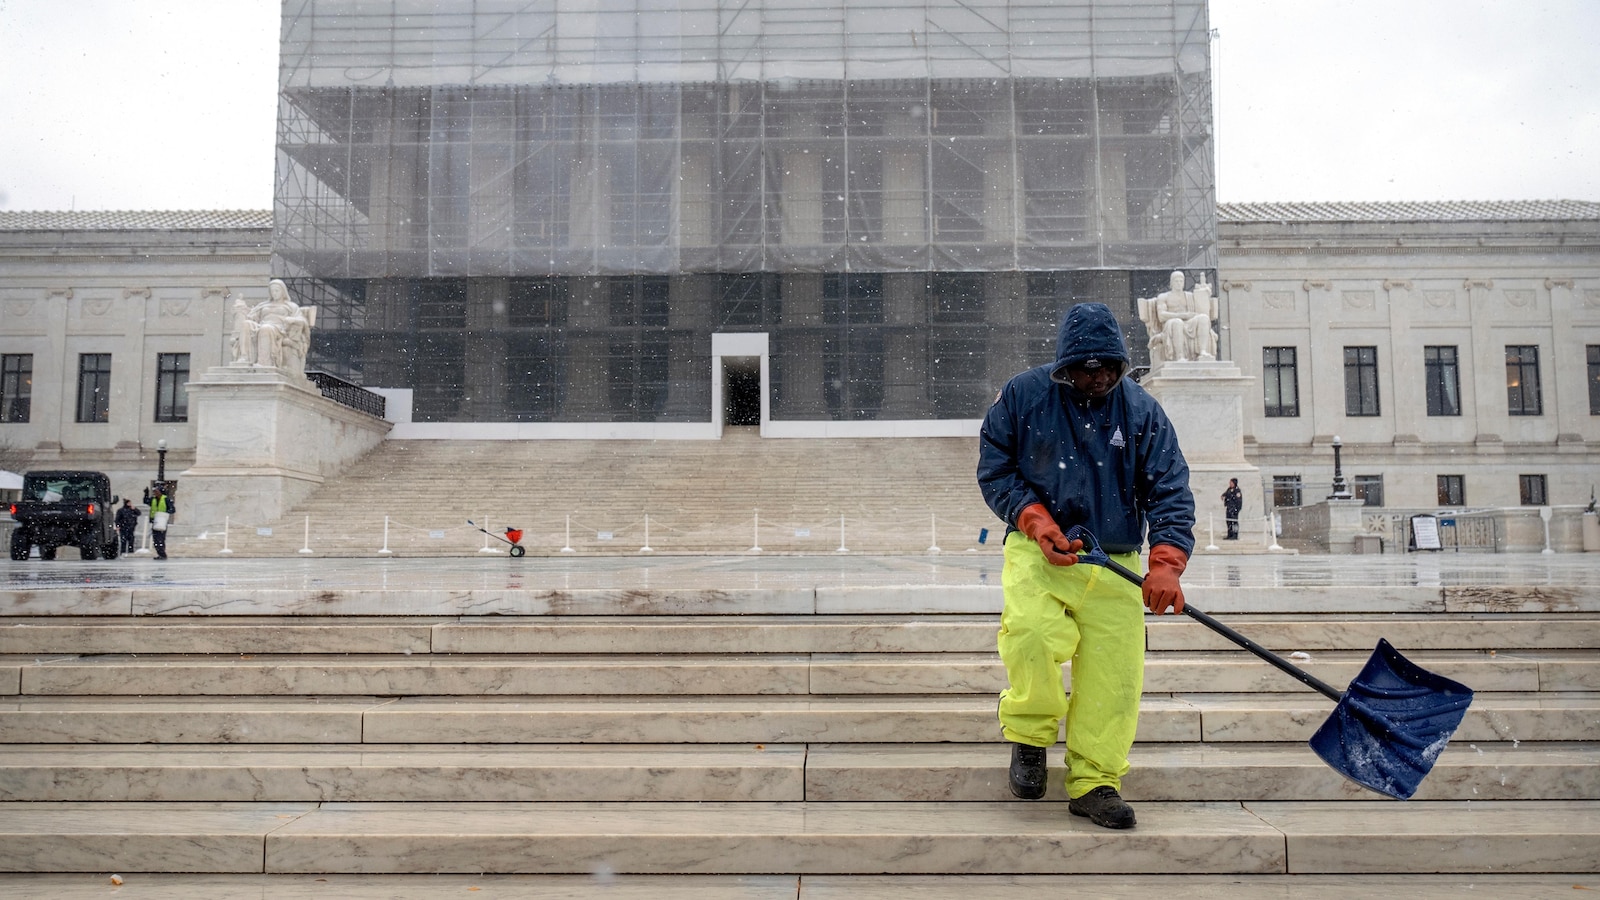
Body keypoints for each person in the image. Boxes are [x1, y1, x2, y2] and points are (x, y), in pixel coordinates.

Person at [978, 301, 1196, 830]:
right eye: (1085, 368)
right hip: (1039, 550)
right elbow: (996, 467)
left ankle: (1095, 781)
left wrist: (1166, 562)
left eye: (1107, 368)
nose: (1097, 378)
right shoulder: (1024, 396)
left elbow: (1170, 489)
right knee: (1031, 634)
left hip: (1114, 561)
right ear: (1064, 366)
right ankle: (1030, 737)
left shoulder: (1142, 411)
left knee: (1114, 677)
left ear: (1120, 364)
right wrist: (1034, 519)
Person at [148, 484, 174, 560]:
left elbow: (172, 509)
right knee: (155, 539)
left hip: (162, 521)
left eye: (156, 491)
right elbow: (146, 502)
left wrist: (165, 513)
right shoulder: (153, 499)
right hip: (155, 521)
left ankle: (162, 554)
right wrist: (146, 494)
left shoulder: (166, 499)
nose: (155, 493)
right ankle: (160, 553)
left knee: (161, 539)